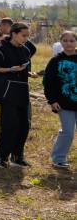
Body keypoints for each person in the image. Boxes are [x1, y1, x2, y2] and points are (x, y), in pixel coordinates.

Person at [0, 21, 33, 168]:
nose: (26, 38)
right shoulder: (1, 49)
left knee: (24, 125)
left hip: (22, 90)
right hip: (7, 91)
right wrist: (10, 69)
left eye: (27, 36)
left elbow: (24, 68)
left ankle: (17, 156)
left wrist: (30, 73)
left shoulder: (25, 50)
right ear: (14, 34)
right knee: (10, 125)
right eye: (23, 35)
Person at [43, 30, 77, 169]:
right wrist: (52, 101)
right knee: (68, 132)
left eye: (72, 40)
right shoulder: (55, 61)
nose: (69, 43)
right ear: (61, 42)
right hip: (64, 103)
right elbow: (48, 82)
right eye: (65, 40)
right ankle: (59, 158)